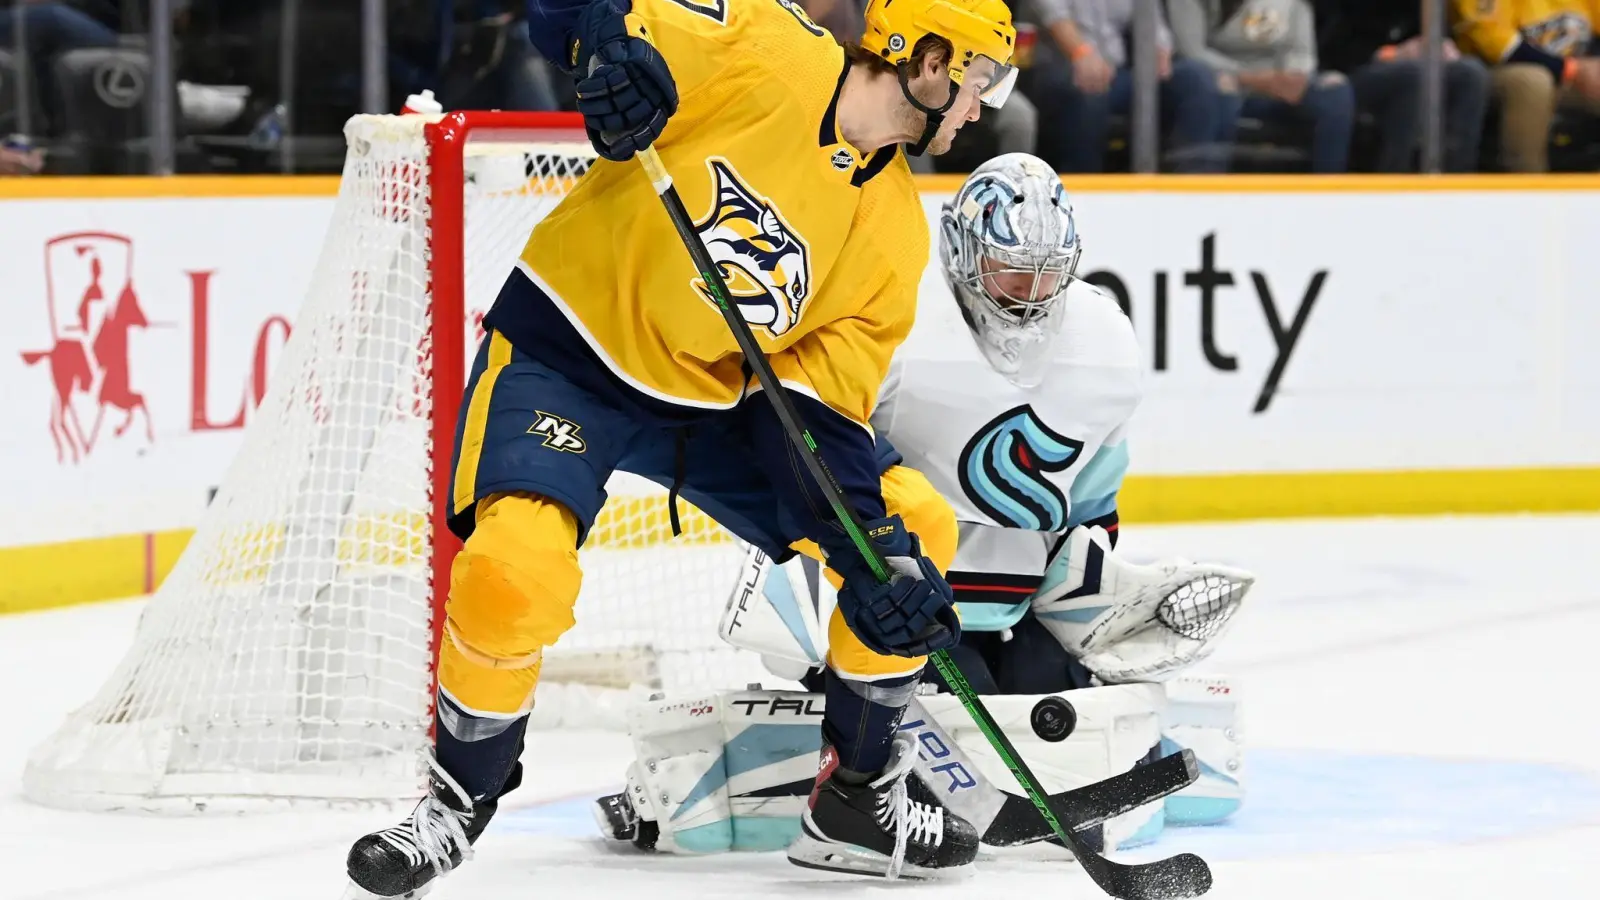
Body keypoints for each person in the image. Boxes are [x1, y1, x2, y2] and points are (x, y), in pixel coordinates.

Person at [342, 0, 1019, 895]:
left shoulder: (892, 231)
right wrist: (600, 43)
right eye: (977, 80)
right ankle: (457, 800)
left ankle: (856, 792)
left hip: (720, 403)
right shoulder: (766, 45)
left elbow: (820, 418)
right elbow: (579, 11)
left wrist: (869, 561)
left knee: (910, 530)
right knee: (513, 570)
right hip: (571, 353)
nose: (981, 108)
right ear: (927, 57)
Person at [589, 154, 1253, 859]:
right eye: (1011, 271)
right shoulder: (894, 317)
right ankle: (801, 777)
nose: (1030, 293)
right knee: (932, 701)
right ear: (966, 257)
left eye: (1047, 273)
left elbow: (1091, 499)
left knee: (1047, 702)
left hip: (1017, 598)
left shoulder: (1104, 341)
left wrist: (1101, 596)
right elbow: (822, 465)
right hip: (895, 589)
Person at [1020, 0, 1234, 172]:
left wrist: (1160, 49)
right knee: (1087, 93)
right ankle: (1083, 193)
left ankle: (1192, 185)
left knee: (1195, 77)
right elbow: (1054, 14)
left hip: (1118, 73)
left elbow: (1151, 19)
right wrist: (1081, 54)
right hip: (1057, 70)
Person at [1168, 0, 1356, 173]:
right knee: (1214, 89)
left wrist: (1292, 77)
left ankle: (1326, 192)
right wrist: (1247, 77)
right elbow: (1192, 51)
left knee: (1335, 90)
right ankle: (1205, 191)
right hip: (1223, 80)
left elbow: (1301, 52)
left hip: (1276, 85)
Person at [1314, 0, 1490, 172]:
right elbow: (1331, 44)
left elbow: (1438, 30)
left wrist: (1444, 46)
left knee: (1471, 74)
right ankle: (1395, 179)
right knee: (1411, 75)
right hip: (1351, 70)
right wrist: (1394, 54)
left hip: (1415, 63)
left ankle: (1457, 180)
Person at [1450, 0, 1600, 172]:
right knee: (1532, 82)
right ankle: (1527, 184)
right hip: (1491, 71)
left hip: (1572, 68)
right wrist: (1568, 69)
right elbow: (1497, 45)